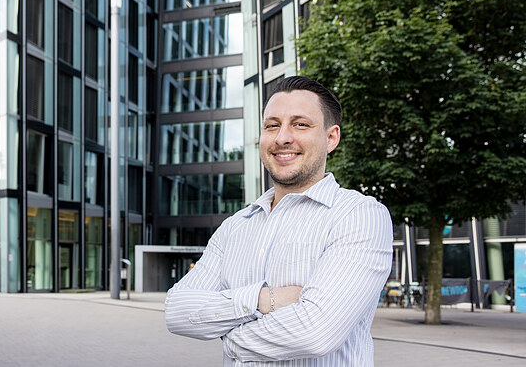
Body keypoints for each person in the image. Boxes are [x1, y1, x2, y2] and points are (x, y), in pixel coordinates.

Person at [164, 76, 393, 366]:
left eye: (300, 124)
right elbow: (177, 311)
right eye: (272, 125)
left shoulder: (358, 215)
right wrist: (264, 299)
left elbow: (315, 332)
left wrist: (229, 337)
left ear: (331, 137)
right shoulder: (236, 226)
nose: (282, 137)